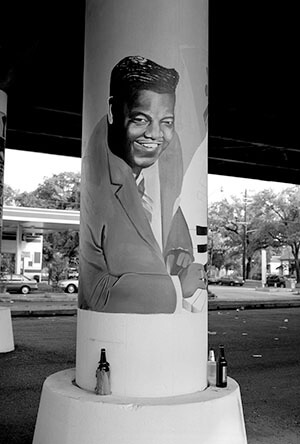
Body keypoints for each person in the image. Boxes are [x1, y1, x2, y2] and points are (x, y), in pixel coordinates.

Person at [79, 55, 205, 314]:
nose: (155, 135)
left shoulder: (172, 150)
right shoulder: (97, 184)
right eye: (140, 119)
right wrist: (179, 287)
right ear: (114, 111)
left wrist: (177, 245)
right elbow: (97, 292)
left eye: (166, 122)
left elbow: (170, 203)